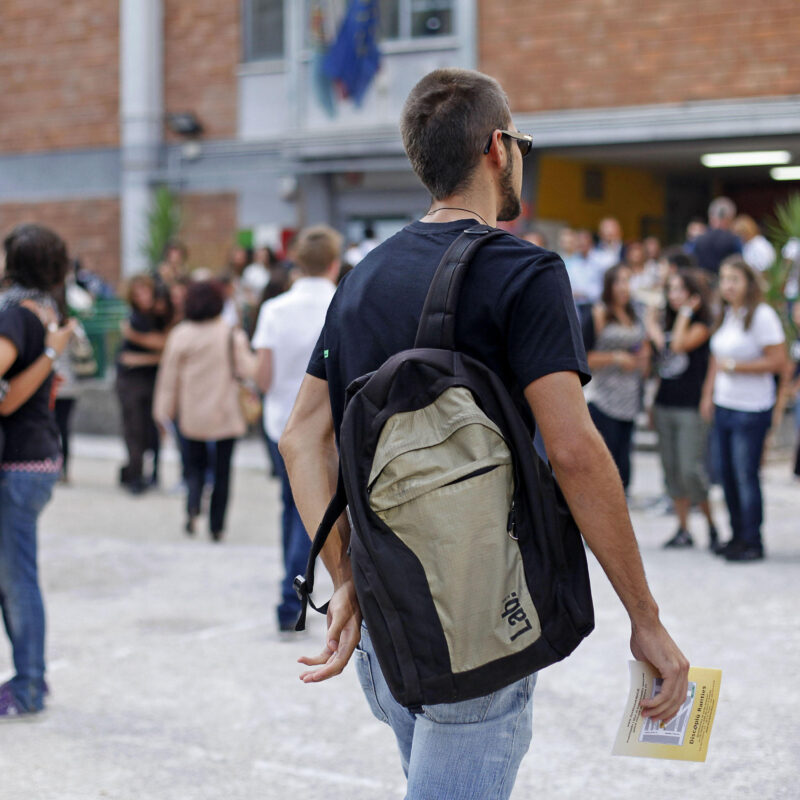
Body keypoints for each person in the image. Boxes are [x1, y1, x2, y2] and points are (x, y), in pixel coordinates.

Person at [278, 68, 688, 799]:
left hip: (385, 615)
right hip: (480, 616)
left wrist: (345, 577)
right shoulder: (524, 272)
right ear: (498, 148)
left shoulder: (363, 277)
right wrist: (645, 618)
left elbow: (300, 436)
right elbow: (573, 451)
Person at [0, 223, 76, 718]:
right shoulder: (49, 309)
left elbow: (6, 401)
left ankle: (28, 685)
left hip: (19, 461)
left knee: (17, 578)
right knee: (14, 576)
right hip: (37, 456)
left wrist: (49, 354)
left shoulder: (17, 313)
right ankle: (28, 680)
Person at [251, 225, 340, 632]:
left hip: (281, 422)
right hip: (333, 422)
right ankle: (320, 591)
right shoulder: (342, 302)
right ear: (334, 263)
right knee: (329, 509)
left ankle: (292, 596)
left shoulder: (274, 310)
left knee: (292, 506)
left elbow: (263, 378)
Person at [153, 280, 256, 541]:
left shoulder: (181, 334)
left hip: (191, 413)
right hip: (225, 412)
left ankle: (193, 504)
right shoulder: (231, 334)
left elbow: (169, 378)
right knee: (223, 472)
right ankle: (217, 526)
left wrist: (163, 411)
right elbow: (248, 369)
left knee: (193, 466)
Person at [700, 256, 786, 562]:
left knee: (745, 474)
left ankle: (752, 540)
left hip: (751, 409)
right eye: (724, 279)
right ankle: (735, 534)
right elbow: (716, 359)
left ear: (748, 283)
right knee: (725, 474)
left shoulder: (762, 315)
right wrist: (708, 394)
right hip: (725, 404)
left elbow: (779, 361)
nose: (728, 286)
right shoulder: (727, 314)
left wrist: (738, 366)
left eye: (735, 279)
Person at [645, 270, 718, 549]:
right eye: (671, 289)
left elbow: (677, 345)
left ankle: (711, 524)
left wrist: (686, 313)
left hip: (690, 406)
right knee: (671, 469)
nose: (674, 295)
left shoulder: (701, 323)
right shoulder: (666, 319)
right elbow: (659, 351)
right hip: (664, 403)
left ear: (693, 294)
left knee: (690, 469)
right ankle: (683, 528)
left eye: (680, 290)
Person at [583, 264, 650, 493]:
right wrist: (616, 357)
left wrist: (641, 356)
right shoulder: (598, 312)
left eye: (627, 281)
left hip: (630, 395)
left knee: (624, 461)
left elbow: (642, 344)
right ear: (609, 285)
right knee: (606, 460)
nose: (624, 287)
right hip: (603, 396)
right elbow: (584, 357)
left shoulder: (635, 313)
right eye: (619, 281)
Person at [116, 275, 170, 494]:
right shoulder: (134, 318)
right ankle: (135, 475)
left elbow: (167, 345)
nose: (143, 297)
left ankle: (152, 473)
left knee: (153, 429)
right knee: (134, 428)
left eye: (146, 291)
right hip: (131, 381)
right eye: (138, 293)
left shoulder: (160, 316)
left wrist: (142, 354)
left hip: (152, 378)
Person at [692, 197, 742, 275]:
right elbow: (740, 263)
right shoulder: (734, 240)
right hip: (726, 282)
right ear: (730, 219)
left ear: (710, 217)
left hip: (703, 284)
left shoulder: (698, 239)